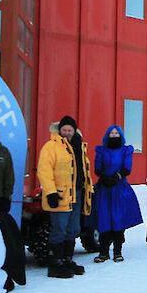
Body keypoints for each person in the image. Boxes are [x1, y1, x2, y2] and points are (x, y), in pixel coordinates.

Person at [37, 115, 94, 279]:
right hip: (60, 196)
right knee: (59, 229)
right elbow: (44, 171)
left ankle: (67, 259)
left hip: (76, 194)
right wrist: (51, 192)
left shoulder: (78, 146)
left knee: (73, 229)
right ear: (59, 130)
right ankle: (55, 263)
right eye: (64, 130)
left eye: (70, 130)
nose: (67, 132)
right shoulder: (51, 147)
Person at [91, 125, 143, 263]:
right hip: (104, 189)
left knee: (118, 218)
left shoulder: (126, 150)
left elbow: (127, 167)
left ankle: (117, 251)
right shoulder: (101, 150)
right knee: (103, 218)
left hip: (119, 188)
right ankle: (103, 252)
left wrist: (117, 177)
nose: (114, 135)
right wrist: (103, 177)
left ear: (120, 135)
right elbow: (97, 167)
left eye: (116, 133)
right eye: (111, 133)